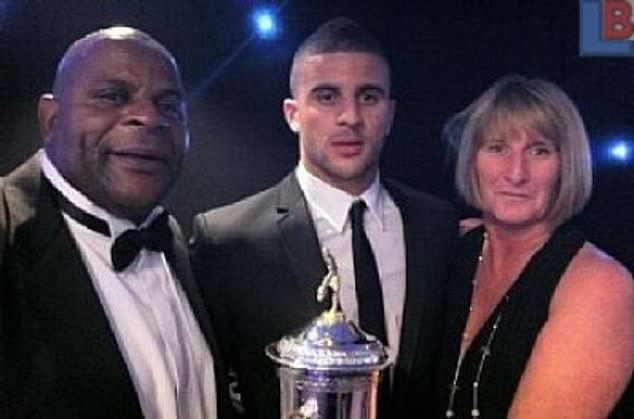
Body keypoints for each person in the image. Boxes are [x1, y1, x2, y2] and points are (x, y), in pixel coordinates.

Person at [190, 17, 457, 418]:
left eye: (368, 97)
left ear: (391, 114)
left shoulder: (436, 225)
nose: (350, 116)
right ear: (292, 113)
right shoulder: (228, 239)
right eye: (327, 97)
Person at [0, 26, 232, 418]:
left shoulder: (170, 237)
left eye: (168, 104)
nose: (147, 116)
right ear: (52, 119)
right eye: (113, 96)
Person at [437, 75, 633, 418]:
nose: (516, 173)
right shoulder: (454, 250)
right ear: (472, 161)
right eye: (497, 148)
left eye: (539, 150)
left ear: (566, 166)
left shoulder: (600, 285)